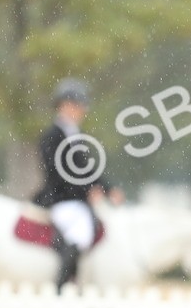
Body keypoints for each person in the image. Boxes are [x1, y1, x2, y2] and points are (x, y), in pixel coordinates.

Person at [31, 78, 123, 289]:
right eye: (78, 105)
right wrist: (85, 192)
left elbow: (86, 170)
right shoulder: (52, 136)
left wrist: (107, 189)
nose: (82, 110)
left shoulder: (74, 135)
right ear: (64, 105)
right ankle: (62, 286)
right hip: (61, 198)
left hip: (75, 197)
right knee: (79, 233)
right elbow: (57, 174)